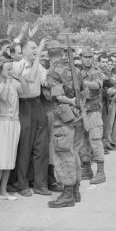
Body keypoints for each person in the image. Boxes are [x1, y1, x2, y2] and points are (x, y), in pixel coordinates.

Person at [0, 57, 33, 204]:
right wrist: (5, 81)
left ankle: (4, 190)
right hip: (0, 123)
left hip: (13, 123)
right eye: (8, 69)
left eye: (11, 68)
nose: (11, 71)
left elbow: (26, 90)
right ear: (0, 70)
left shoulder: (13, 83)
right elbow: (3, 98)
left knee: (9, 158)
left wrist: (20, 78)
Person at [46, 40, 84, 208]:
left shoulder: (53, 71)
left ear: (49, 55)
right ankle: (75, 189)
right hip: (78, 116)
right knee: (74, 152)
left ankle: (67, 193)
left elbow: (58, 96)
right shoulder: (75, 70)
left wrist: (70, 100)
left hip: (63, 118)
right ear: (62, 53)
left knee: (63, 154)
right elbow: (84, 92)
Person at [10, 39, 49, 196]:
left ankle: (40, 183)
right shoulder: (16, 66)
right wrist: (39, 55)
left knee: (41, 145)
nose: (36, 50)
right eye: (33, 48)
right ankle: (22, 183)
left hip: (38, 104)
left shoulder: (39, 65)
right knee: (24, 146)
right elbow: (30, 79)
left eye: (36, 48)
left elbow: (45, 81)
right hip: (24, 105)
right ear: (24, 50)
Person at [79, 47, 107, 184]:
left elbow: (97, 85)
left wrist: (82, 83)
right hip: (82, 110)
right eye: (85, 57)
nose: (87, 59)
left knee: (95, 140)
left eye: (90, 57)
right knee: (83, 141)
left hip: (94, 111)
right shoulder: (78, 72)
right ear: (81, 58)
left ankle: (101, 172)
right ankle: (86, 169)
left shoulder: (96, 72)